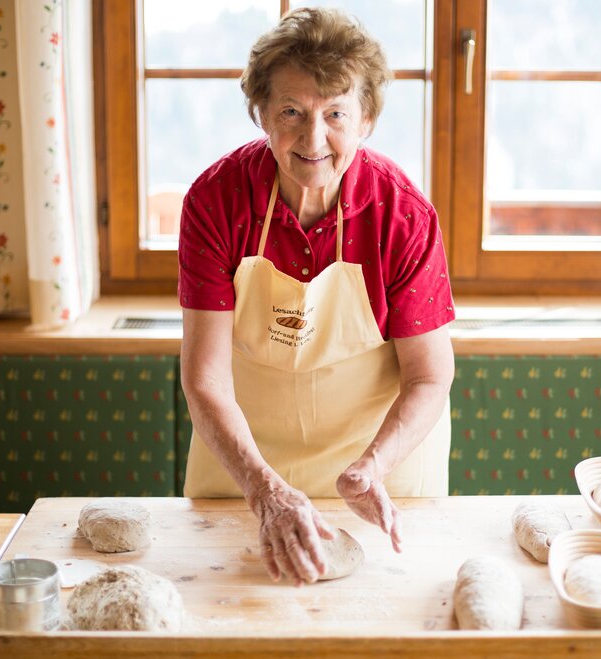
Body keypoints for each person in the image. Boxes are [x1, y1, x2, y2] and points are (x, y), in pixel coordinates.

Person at [179, 7, 455, 586]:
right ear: (260, 113)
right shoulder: (215, 202)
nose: (313, 138)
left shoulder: (402, 215)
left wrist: (373, 466)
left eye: (335, 114)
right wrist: (264, 489)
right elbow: (204, 378)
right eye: (291, 112)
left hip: (379, 468)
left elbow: (429, 376)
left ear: (367, 120)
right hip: (245, 467)